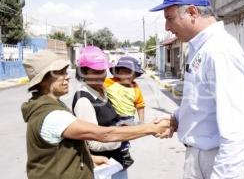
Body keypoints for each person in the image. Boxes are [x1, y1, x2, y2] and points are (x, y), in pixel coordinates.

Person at [150, 0, 244, 179]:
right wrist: (178, 118)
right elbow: (201, 101)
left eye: (170, 19)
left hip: (213, 160)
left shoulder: (220, 51)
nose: (167, 27)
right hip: (198, 156)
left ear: (192, 12)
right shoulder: (201, 48)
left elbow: (237, 134)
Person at [21, 50, 170, 179]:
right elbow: (103, 135)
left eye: (66, 72)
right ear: (42, 81)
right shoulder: (52, 114)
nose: (67, 77)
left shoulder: (55, 105)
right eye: (59, 73)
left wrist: (90, 159)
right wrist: (151, 128)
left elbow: (64, 149)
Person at [72, 46, 131, 179]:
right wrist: (122, 137)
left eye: (103, 71)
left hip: (115, 164)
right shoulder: (84, 101)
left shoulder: (102, 91)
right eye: (96, 72)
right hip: (103, 169)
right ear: (84, 73)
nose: (101, 76)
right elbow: (93, 143)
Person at [104, 56, 145, 151]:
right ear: (117, 73)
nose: (126, 75)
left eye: (130, 72)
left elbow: (140, 105)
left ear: (135, 75)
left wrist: (141, 122)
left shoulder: (135, 87)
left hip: (128, 118)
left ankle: (124, 150)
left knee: (124, 139)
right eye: (123, 71)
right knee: (112, 137)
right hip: (113, 117)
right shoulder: (109, 82)